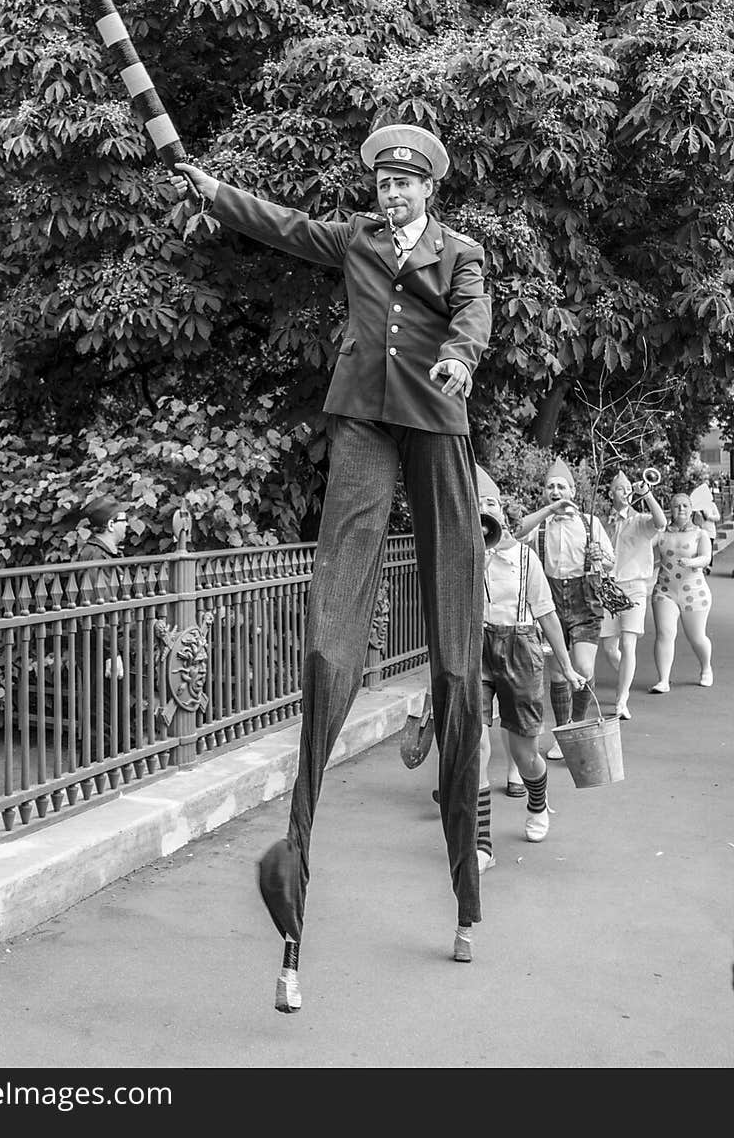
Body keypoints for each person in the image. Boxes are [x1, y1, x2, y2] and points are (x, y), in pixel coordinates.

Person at [170, 119, 492, 1001]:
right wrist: (210, 191)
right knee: (330, 633)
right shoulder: (354, 238)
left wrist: (461, 359)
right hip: (361, 418)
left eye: (407, 185)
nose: (393, 195)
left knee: (457, 651)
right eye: (384, 184)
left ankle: (467, 883)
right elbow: (278, 223)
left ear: (429, 188)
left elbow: (472, 313)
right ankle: (297, 858)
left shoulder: (462, 251)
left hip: (436, 423)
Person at [471, 467, 585, 869]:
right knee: (476, 746)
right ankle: (481, 845)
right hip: (478, 649)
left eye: (491, 503)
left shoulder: (525, 557)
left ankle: (538, 801)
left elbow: (548, 614)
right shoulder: (466, 552)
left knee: (524, 754)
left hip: (521, 649)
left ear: (502, 511)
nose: (485, 509)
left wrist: (567, 667)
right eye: (478, 503)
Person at [513, 458, 615, 759]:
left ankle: (579, 727)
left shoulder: (590, 522)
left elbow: (611, 562)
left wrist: (599, 556)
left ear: (573, 490)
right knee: (558, 672)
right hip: (552, 602)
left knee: (582, 668)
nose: (556, 490)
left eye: (562, 486)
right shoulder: (541, 523)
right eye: (551, 487)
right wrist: (549, 510)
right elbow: (516, 532)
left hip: (585, 602)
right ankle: (563, 732)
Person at [599, 470, 667, 720]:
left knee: (628, 644)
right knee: (609, 648)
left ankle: (621, 699)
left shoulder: (640, 520)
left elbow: (661, 523)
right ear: (610, 493)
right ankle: (626, 674)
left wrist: (647, 494)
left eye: (628, 487)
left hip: (635, 587)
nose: (625, 491)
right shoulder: (602, 522)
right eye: (620, 488)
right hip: (608, 588)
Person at [75, 495, 130, 756]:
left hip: (104, 646)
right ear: (110, 525)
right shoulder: (95, 556)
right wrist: (111, 654)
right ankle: (102, 765)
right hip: (98, 647)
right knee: (103, 707)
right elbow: (99, 610)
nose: (127, 524)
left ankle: (112, 760)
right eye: (123, 519)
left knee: (112, 705)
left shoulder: (105, 554)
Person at [650, 492, 713, 692]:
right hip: (665, 590)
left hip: (694, 591)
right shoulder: (661, 534)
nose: (681, 509)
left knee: (696, 637)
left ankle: (706, 668)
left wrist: (692, 562)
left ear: (691, 508)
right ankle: (663, 680)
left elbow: (705, 558)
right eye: (677, 506)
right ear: (670, 509)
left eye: (685, 505)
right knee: (664, 634)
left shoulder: (700, 533)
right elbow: (642, 548)